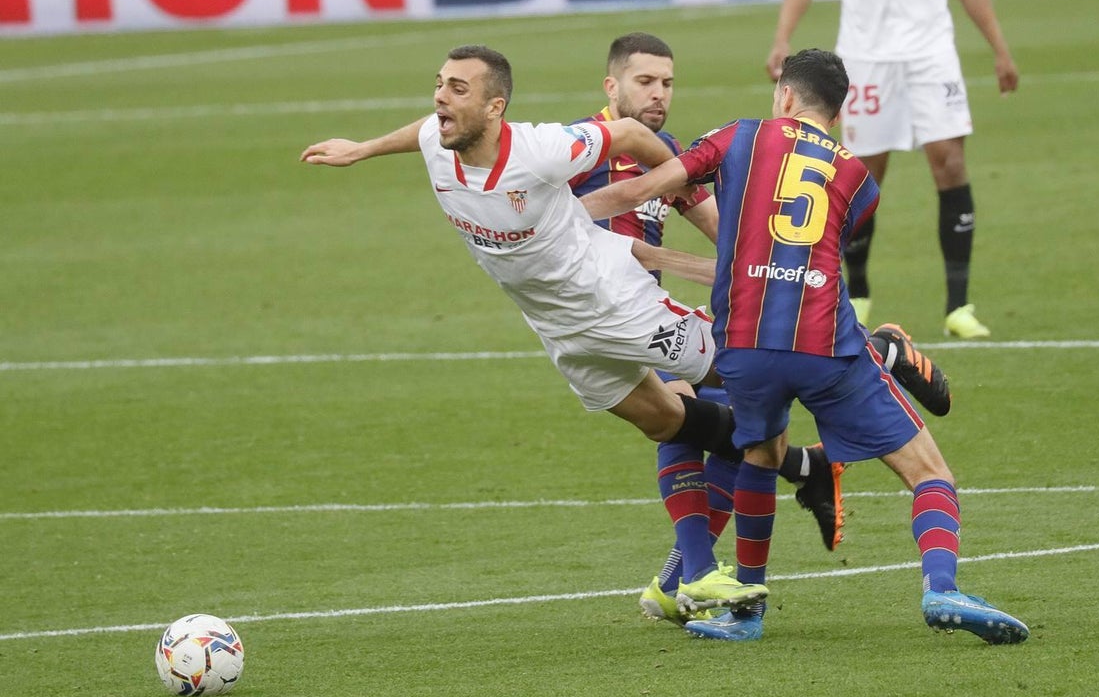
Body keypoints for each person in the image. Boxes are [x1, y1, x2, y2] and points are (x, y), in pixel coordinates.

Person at [579, 48, 1029, 644]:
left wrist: (558, 227)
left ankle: (746, 610)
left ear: (785, 96)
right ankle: (941, 586)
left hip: (742, 345)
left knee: (755, 455)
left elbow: (647, 189)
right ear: (837, 114)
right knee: (929, 473)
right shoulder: (860, 178)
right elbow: (819, 249)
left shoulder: (737, 137)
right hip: (824, 345)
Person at [301, 44, 770, 613]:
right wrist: (362, 150)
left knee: (762, 359)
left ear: (495, 107)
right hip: (561, 333)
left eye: (458, 89)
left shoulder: (542, 149)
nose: (441, 99)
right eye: (440, 84)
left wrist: (670, 181)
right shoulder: (438, 137)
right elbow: (425, 128)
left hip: (617, 304)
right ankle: (709, 557)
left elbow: (631, 138)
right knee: (669, 421)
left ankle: (870, 367)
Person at [765, 0, 1019, 338]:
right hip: (865, 54)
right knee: (862, 174)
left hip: (931, 52)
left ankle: (958, 307)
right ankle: (857, 294)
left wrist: (1000, 49)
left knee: (951, 163)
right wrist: (782, 38)